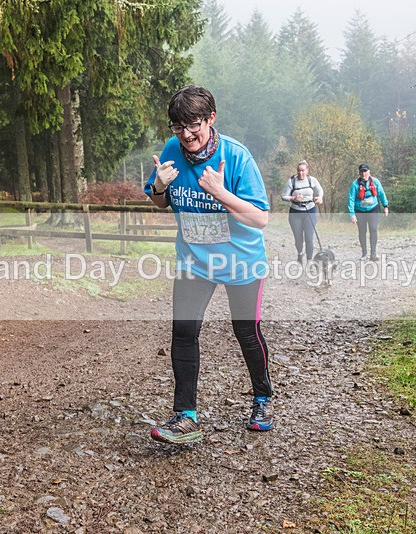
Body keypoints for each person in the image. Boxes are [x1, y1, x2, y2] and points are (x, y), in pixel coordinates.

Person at [144, 85, 274, 445]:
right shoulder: (173, 149)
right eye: (178, 127)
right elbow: (159, 202)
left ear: (211, 119)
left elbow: (260, 218)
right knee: (183, 332)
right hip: (194, 262)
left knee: (246, 332)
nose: (186, 135)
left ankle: (263, 399)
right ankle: (185, 416)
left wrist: (221, 193)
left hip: (241, 263)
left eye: (194, 125)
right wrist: (158, 186)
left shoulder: (237, 158)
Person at [281, 160, 323, 263]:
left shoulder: (311, 180)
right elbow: (283, 196)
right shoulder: (292, 182)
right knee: (298, 238)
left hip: (310, 210)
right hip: (295, 212)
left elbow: (320, 190)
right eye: (299, 171)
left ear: (307, 171)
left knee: (309, 237)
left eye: (303, 171)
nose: (300, 173)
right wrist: (293, 198)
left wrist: (320, 197)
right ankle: (300, 253)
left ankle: (309, 260)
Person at [347, 163, 389, 261]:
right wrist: (352, 214)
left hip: (373, 209)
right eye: (361, 172)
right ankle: (364, 253)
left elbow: (382, 194)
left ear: (369, 172)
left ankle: (373, 253)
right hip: (360, 211)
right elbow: (351, 199)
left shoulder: (375, 182)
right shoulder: (355, 185)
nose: (363, 174)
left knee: (373, 229)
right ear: (359, 173)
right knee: (362, 231)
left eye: (365, 171)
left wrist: (385, 206)